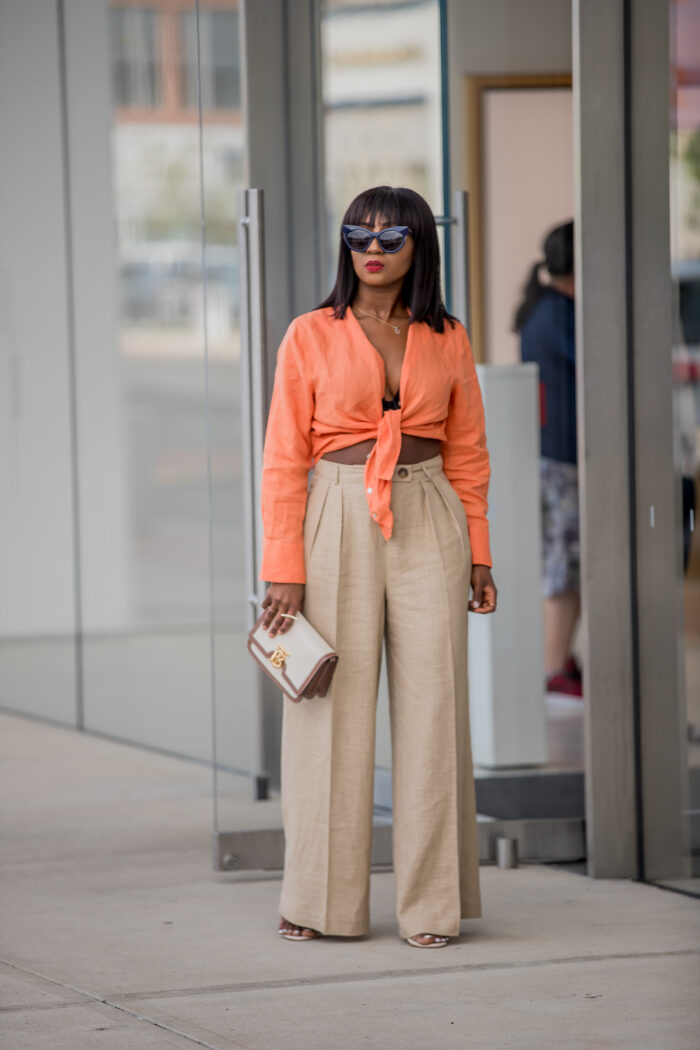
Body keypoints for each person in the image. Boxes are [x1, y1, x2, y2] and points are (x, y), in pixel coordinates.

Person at [259, 185, 496, 949]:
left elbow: (468, 452)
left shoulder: (448, 335)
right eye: (358, 234)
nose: (372, 247)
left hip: (430, 512)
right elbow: (283, 459)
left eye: (391, 236)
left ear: (419, 244)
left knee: (434, 710)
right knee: (329, 707)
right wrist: (283, 565)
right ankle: (320, 899)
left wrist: (480, 552)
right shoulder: (310, 334)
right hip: (333, 510)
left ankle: (432, 908)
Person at [514, 220, 581, 697]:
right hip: (563, 461)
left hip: (552, 456)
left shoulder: (543, 309)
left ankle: (560, 661)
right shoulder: (561, 314)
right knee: (565, 567)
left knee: (564, 563)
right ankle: (555, 668)